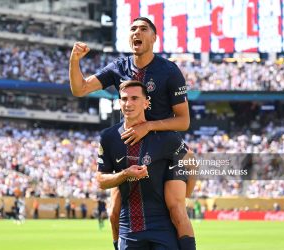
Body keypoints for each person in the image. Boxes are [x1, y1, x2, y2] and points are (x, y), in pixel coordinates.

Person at [70, 17, 195, 250]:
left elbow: (183, 120)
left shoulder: (169, 71)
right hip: (129, 146)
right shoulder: (119, 66)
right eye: (133, 29)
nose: (137, 32)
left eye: (143, 29)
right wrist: (74, 60)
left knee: (176, 208)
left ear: (154, 38)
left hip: (164, 146)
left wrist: (148, 126)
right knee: (114, 211)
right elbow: (80, 88)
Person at [96, 81, 195, 249]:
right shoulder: (108, 137)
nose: (129, 103)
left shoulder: (166, 137)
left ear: (146, 103)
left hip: (162, 228)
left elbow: (192, 162)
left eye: (135, 98)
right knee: (113, 209)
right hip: (129, 229)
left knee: (179, 211)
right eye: (124, 99)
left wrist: (187, 193)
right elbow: (100, 181)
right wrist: (125, 174)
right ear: (119, 102)